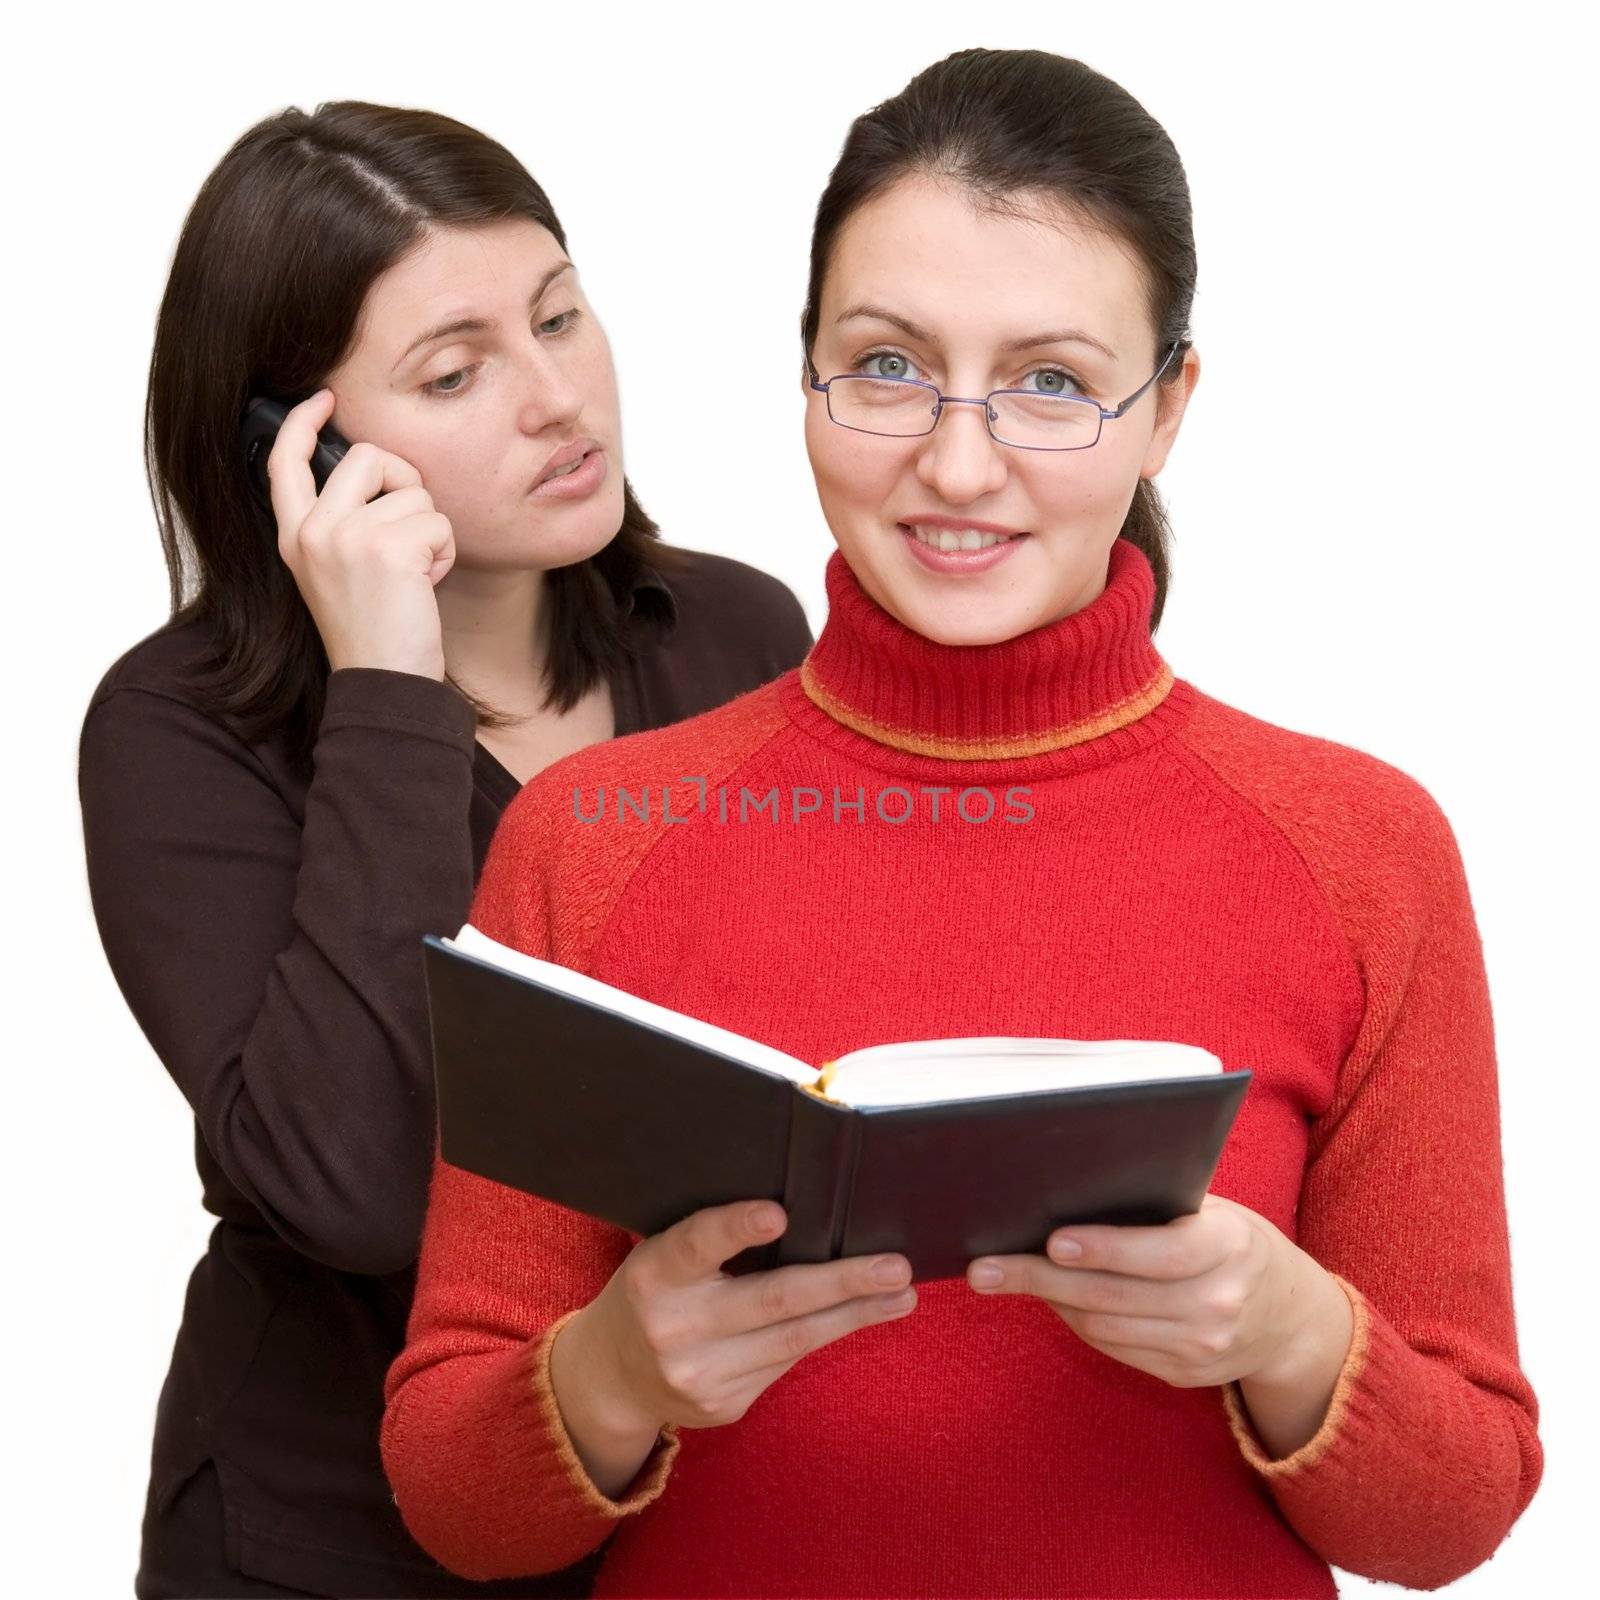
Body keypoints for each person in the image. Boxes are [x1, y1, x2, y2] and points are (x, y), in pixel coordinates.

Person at [380, 49, 1544, 1599]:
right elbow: (455, 1498)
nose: (957, 460)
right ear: (804, 368)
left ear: (1168, 408)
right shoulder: (593, 839)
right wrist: (611, 1377)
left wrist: (1290, 1335)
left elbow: (1455, 1514)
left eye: (1053, 382)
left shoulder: (1361, 850)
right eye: (886, 365)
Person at [78, 101, 812, 1600]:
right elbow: (353, 1188)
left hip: (687, 1508)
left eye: (560, 313)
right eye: (457, 371)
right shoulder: (179, 732)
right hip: (337, 1537)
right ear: (301, 445)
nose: (557, 399)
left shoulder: (737, 632)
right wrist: (389, 690)